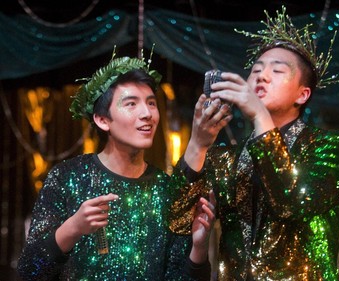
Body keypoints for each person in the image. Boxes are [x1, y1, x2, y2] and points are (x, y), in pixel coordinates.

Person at [169, 6, 339, 281]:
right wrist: (198, 143)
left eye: (277, 71)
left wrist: (259, 115)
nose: (261, 76)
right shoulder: (225, 158)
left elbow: (291, 201)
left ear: (303, 95)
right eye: (256, 70)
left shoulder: (328, 147)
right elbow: (178, 220)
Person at [17, 50, 216, 281]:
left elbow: (179, 275)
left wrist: (199, 250)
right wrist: (73, 228)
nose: (147, 114)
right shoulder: (66, 176)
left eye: (151, 103)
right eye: (131, 104)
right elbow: (29, 271)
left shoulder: (165, 189)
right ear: (102, 120)